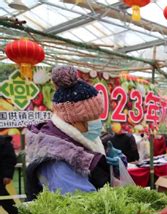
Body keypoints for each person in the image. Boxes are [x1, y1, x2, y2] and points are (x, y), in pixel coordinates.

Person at [25, 65, 122, 200]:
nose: (97, 123)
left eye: (98, 116)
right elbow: (84, 204)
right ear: (72, 121)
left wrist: (114, 166)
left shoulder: (80, 139)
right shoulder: (56, 161)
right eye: (91, 119)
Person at [0, 134, 19, 214]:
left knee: (4, 198)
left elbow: (10, 159)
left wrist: (7, 175)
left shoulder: (3, 142)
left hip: (1, 175)